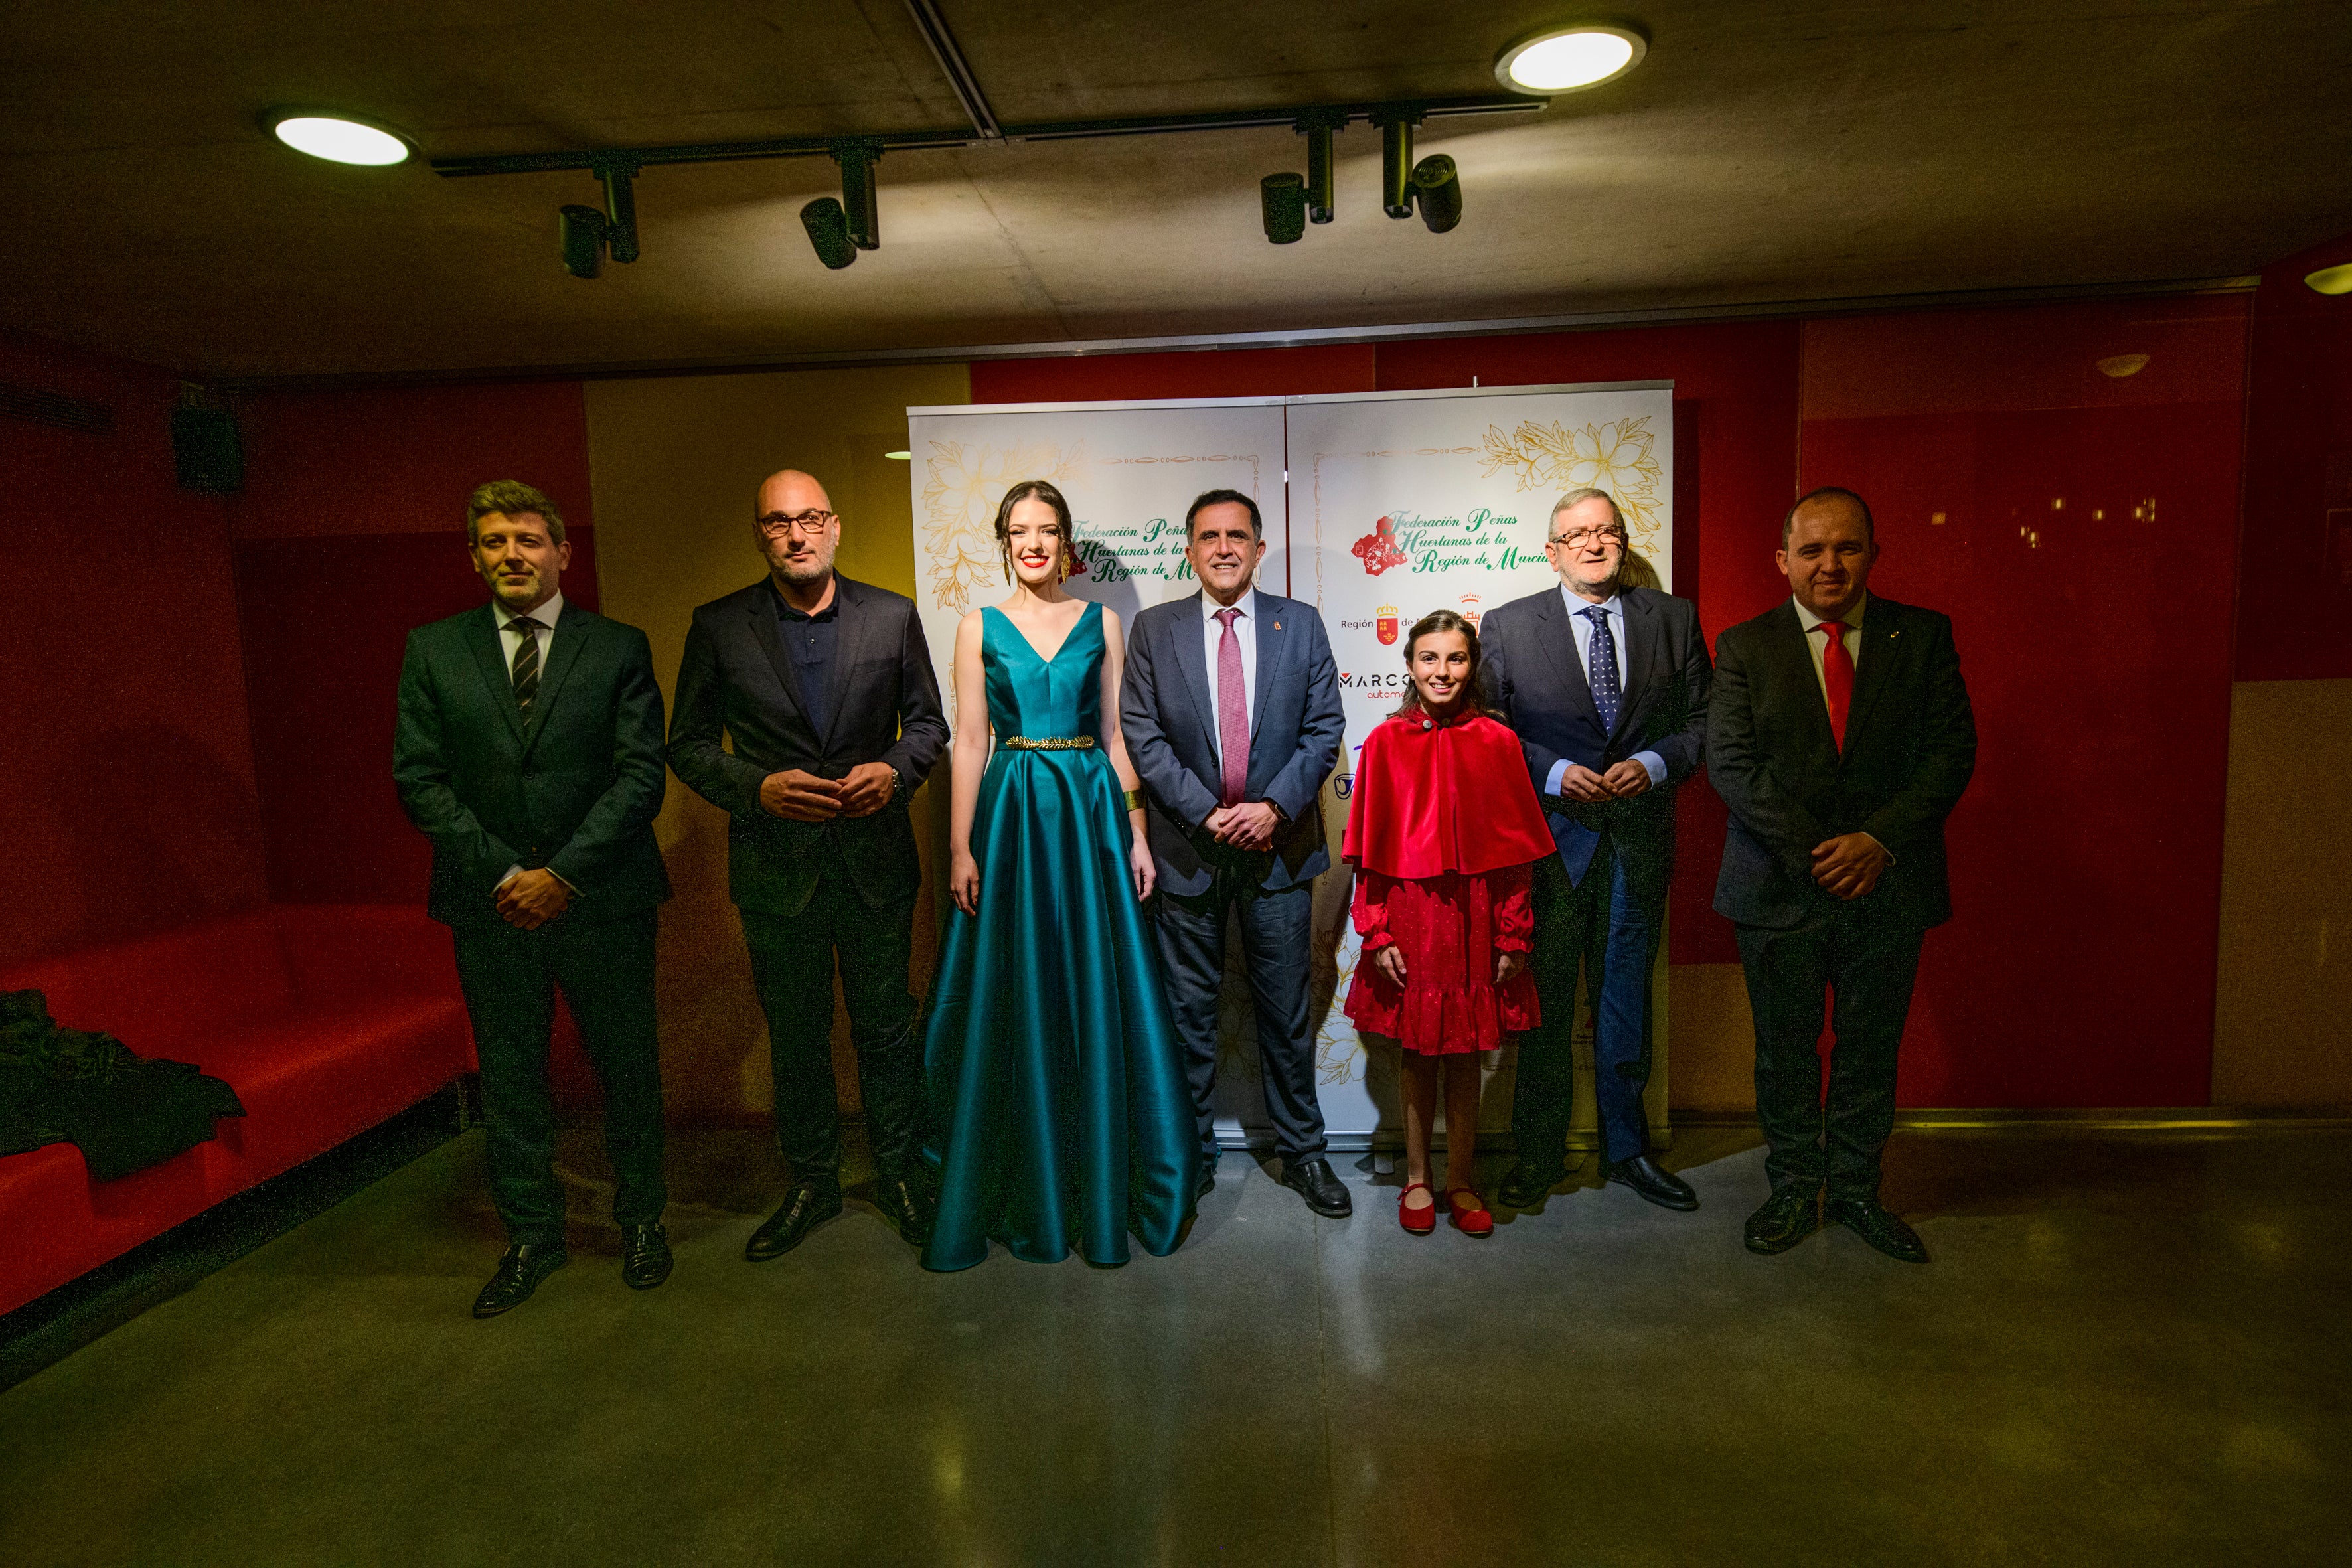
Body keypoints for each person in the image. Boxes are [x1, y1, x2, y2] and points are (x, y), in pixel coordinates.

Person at [394, 481, 673, 1318]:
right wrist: (509, 874)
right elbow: (420, 778)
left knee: (628, 1066)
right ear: (474, 556)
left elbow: (640, 775)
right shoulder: (433, 650)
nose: (511, 554)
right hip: (492, 903)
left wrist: (565, 875)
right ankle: (531, 1236)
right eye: (493, 542)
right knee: (511, 1074)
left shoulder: (618, 646)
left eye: (526, 539)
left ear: (562, 553)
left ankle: (642, 1221)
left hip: (605, 898)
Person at [668, 469, 949, 1261]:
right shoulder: (719, 625)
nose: (798, 534)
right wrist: (756, 787)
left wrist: (894, 770)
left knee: (887, 1029)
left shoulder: (892, 616)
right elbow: (685, 745)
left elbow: (929, 724)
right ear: (761, 534)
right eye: (779, 522)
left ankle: (897, 1174)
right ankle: (812, 1183)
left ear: (834, 527)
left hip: (875, 862)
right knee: (795, 1034)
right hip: (774, 868)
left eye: (812, 518)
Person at [922, 480, 1200, 1270]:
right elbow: (970, 741)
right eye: (1020, 530)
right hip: (1010, 817)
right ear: (1003, 540)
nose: (1034, 542)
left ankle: (1099, 1179)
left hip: (1088, 818)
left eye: (1047, 529)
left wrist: (1139, 834)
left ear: (1067, 541)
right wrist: (960, 848)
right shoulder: (977, 625)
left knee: (1093, 986)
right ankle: (1026, 1179)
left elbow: (1115, 741)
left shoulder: (1103, 622)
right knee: (1019, 990)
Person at [1709, 486, 1976, 1263]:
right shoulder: (1744, 646)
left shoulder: (1921, 638)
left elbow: (1949, 753)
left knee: (1869, 1049)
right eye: (1814, 549)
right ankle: (1794, 1187)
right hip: (1775, 888)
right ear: (1784, 560)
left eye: (1847, 547)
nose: (1830, 564)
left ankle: (1857, 1190)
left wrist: (1877, 842)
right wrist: (1822, 852)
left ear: (1873, 554)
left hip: (1888, 883)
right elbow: (1731, 764)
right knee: (1784, 1051)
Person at [1478, 488, 1713, 1214]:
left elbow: (1708, 720)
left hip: (1638, 841)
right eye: (1576, 534)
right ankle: (1539, 1155)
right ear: (1552, 550)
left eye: (1606, 531)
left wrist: (1658, 762)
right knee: (1544, 1010)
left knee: (1624, 1005)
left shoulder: (1673, 620)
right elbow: (1487, 726)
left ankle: (1628, 1151)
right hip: (1549, 848)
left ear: (1622, 542)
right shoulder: (1511, 626)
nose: (1593, 543)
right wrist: (1549, 770)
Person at [1119, 489, 1350, 1216]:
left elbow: (1324, 729)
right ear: (1189, 549)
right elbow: (1141, 735)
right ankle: (1189, 1155)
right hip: (1188, 850)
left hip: (1278, 853)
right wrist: (1206, 813)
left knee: (1285, 1011)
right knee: (1187, 1014)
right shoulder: (1155, 630)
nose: (1224, 547)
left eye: (1238, 536)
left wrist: (1275, 807)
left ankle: (1304, 1154)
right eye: (1209, 536)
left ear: (1257, 547)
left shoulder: (1301, 624)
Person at [1342, 611, 1555, 1236]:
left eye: (1456, 659)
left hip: (1478, 916)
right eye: (1429, 658)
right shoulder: (1383, 742)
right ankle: (1416, 1176)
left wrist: (1513, 932)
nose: (1442, 671)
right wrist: (1376, 931)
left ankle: (1460, 1180)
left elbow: (1517, 855)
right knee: (1416, 1051)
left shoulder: (1498, 741)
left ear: (1473, 665)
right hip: (1411, 916)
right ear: (1409, 665)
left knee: (1466, 1053)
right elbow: (1367, 855)